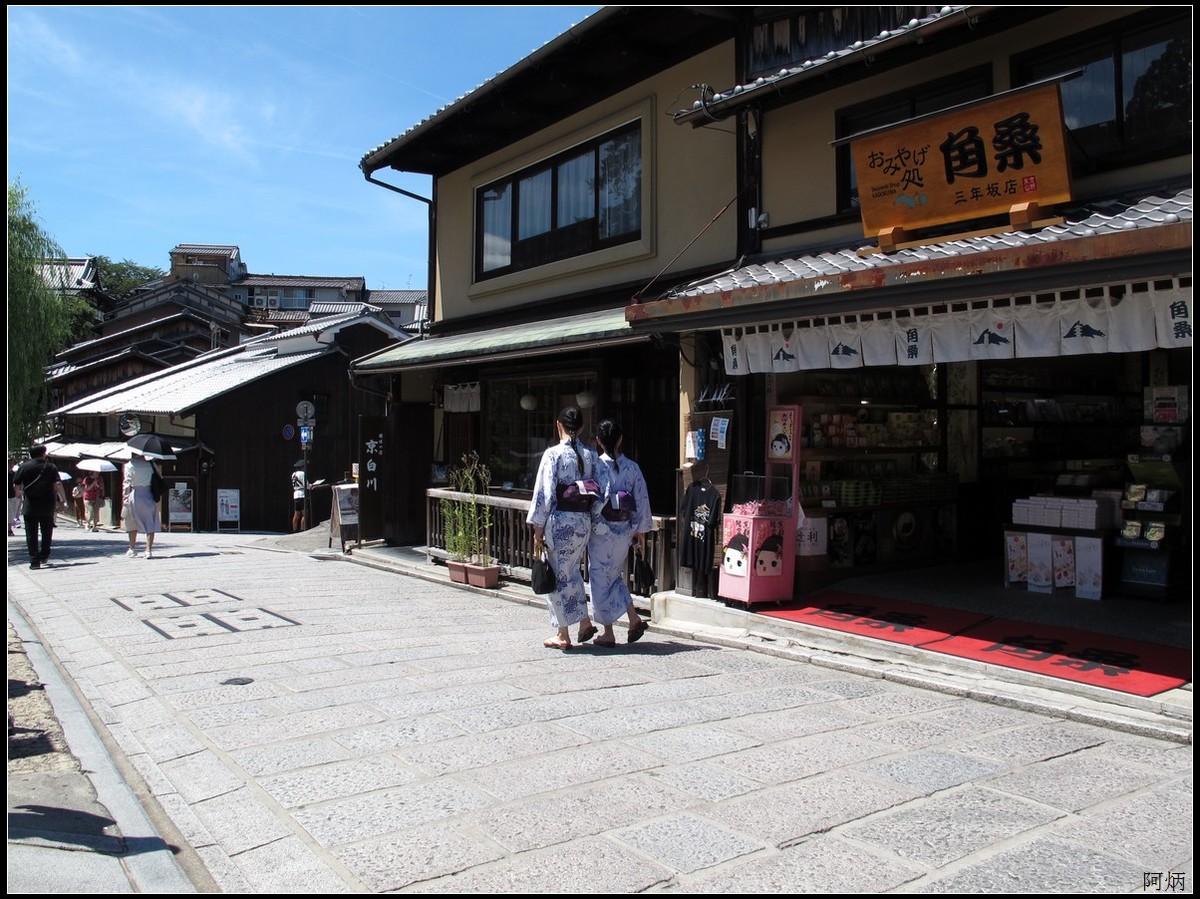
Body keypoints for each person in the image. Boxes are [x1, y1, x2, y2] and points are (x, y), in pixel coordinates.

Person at [526, 405, 600, 650]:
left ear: (559, 425)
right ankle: (584, 622)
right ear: (581, 427)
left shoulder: (553, 454)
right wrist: (593, 514)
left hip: (560, 522)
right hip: (583, 521)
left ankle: (563, 634)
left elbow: (545, 494)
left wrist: (537, 527)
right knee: (571, 572)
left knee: (558, 575)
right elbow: (603, 489)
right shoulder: (591, 455)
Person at [587, 419, 653, 646]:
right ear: (620, 439)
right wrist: (639, 531)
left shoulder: (595, 467)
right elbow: (642, 502)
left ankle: (608, 632)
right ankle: (634, 619)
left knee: (599, 581)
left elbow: (590, 500)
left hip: (601, 532)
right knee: (614, 576)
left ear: (598, 441)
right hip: (624, 531)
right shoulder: (632, 468)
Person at [13, 446, 69, 569]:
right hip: (47, 504)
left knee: (31, 534)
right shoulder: (51, 467)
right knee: (47, 532)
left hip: (30, 505)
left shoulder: (24, 467)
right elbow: (57, 485)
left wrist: (19, 494)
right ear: (43, 454)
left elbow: (16, 484)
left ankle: (34, 561)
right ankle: (44, 555)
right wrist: (62, 500)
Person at [122, 451, 162, 558]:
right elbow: (159, 477)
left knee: (131, 521)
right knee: (150, 522)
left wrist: (125, 499)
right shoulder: (151, 464)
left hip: (134, 494)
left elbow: (126, 484)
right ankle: (148, 550)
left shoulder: (129, 465)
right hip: (148, 494)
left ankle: (132, 548)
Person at [291, 462, 308, 532]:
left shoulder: (293, 474)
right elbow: (306, 484)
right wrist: (311, 486)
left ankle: (294, 530)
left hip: (296, 494)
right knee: (305, 514)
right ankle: (302, 530)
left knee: (296, 514)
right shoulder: (302, 473)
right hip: (302, 494)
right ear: (302, 467)